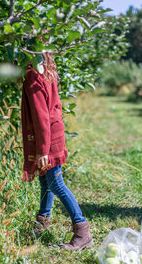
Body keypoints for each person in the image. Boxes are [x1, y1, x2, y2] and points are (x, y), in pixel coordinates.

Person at [21, 52, 93, 251]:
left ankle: (82, 231)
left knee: (56, 183)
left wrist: (43, 150)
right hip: (54, 131)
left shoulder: (32, 75)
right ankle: (42, 222)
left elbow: (40, 116)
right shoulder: (45, 71)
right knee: (46, 180)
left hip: (47, 136)